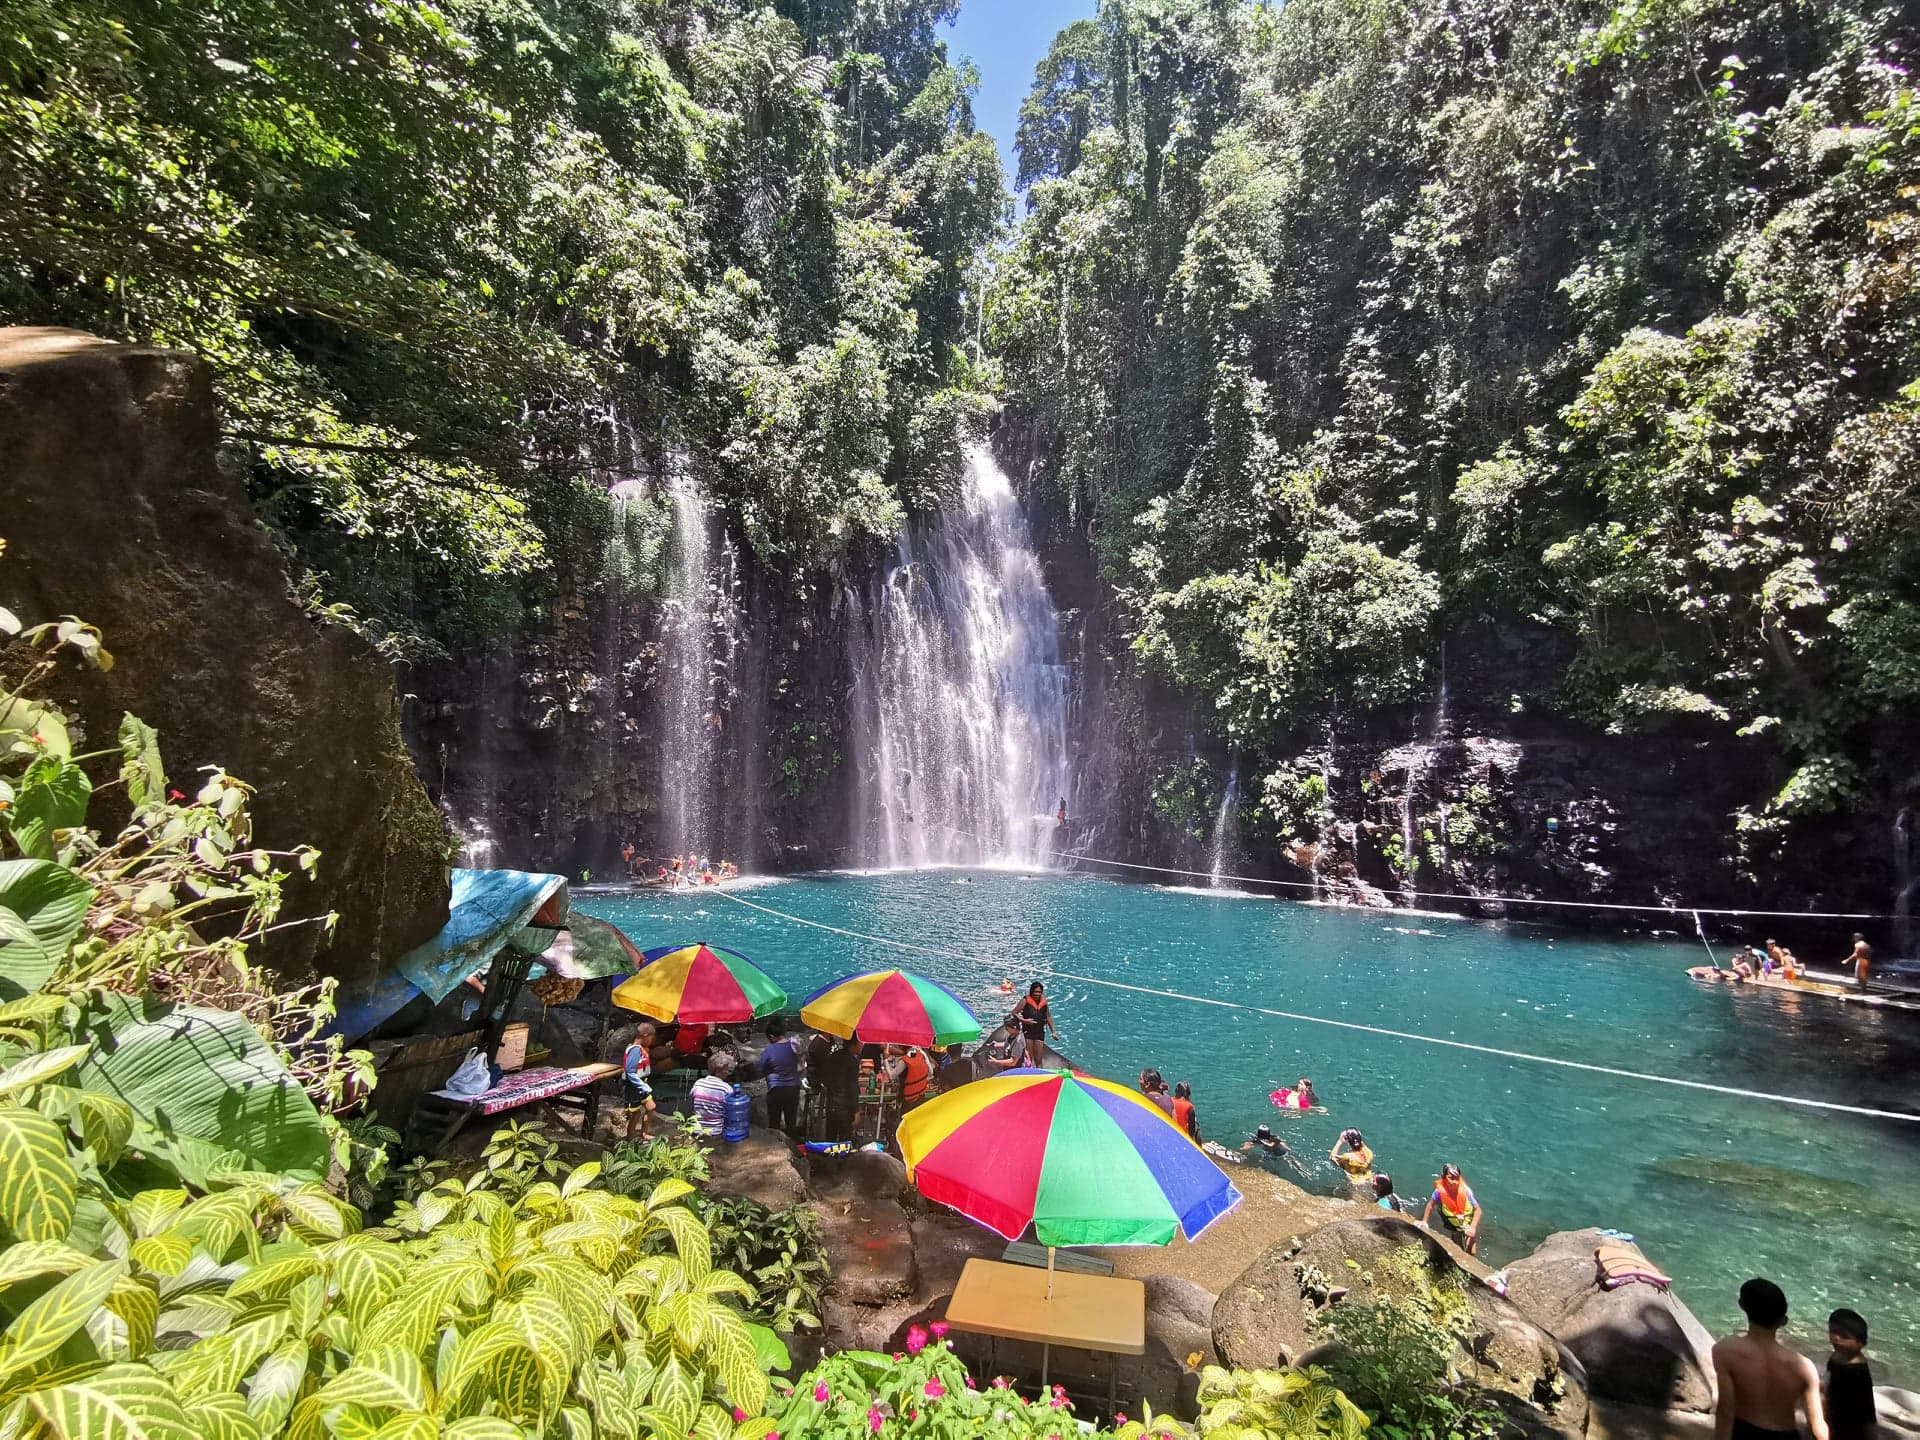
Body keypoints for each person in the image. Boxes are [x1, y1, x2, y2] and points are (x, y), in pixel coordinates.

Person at [1711, 1278, 1828, 1440]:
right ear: (1783, 1321)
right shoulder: (1804, 1367)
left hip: (1744, 1433)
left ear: (1742, 1305)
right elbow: (1818, 1426)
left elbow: (1725, 1411)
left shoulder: (1725, 1351)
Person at [1825, 1308, 1875, 1440]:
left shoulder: (1857, 1370)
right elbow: (1829, 1382)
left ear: (1861, 1344)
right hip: (1834, 1413)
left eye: (1845, 1337)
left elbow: (1867, 1408)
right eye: (1833, 1332)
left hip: (1851, 1424)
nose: (1836, 1338)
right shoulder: (1836, 1357)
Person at [1422, 1163, 1483, 1255]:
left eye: (1457, 1178)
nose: (1455, 1182)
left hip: (1467, 1221)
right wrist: (1424, 1221)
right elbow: (1430, 1205)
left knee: (1471, 1249)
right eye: (1451, 1178)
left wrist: (1472, 1227)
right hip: (1452, 1220)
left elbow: (1478, 1210)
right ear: (1443, 1177)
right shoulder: (1438, 1192)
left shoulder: (1466, 1191)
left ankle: (1470, 1259)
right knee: (1457, 1244)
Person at [759, 1017, 803, 1136]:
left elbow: (760, 1068)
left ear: (772, 1036)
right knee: (791, 1121)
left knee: (774, 1123)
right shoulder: (794, 1046)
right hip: (793, 1088)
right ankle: (794, 1148)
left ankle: (777, 1149)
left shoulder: (769, 1050)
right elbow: (802, 1063)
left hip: (776, 1090)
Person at [621, 1023, 657, 1140]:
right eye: (651, 1037)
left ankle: (644, 1133)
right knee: (635, 1114)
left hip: (642, 1085)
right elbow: (630, 1072)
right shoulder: (635, 1050)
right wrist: (642, 1085)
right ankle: (629, 1137)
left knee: (651, 1107)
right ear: (645, 1035)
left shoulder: (643, 1049)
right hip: (634, 1087)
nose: (652, 1040)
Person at [690, 1052, 736, 1140]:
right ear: (718, 1070)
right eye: (726, 1069)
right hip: (715, 1131)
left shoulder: (698, 1083)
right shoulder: (726, 1089)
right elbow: (731, 1113)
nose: (727, 1072)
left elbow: (693, 1102)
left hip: (696, 1129)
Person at [1015, 982, 1058, 1068]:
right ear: (1031, 991)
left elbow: (1048, 1016)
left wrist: (1053, 1032)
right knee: (1029, 1058)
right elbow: (1014, 1013)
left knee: (1039, 1059)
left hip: (1039, 1032)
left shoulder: (1044, 1002)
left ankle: (1040, 1075)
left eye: (1039, 992)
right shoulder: (1025, 1001)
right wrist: (1025, 1020)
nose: (1037, 994)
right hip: (1028, 1032)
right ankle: (1028, 1075)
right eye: (1035, 992)